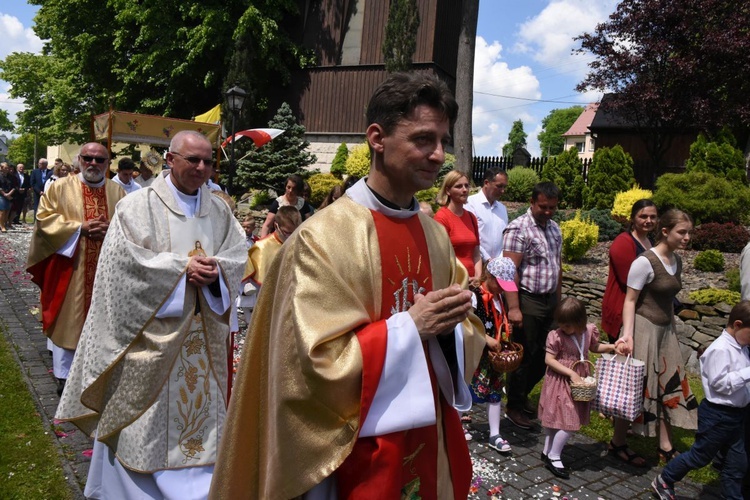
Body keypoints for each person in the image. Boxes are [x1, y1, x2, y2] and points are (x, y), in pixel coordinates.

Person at [210, 72, 485, 499]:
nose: (438, 155)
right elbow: (310, 364)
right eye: (424, 140)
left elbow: (463, 329)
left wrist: (454, 323)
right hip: (345, 453)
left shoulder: (434, 236)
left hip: (425, 434)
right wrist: (411, 328)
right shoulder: (320, 238)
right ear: (377, 137)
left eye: (443, 142)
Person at [55, 130, 247, 499]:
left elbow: (239, 253)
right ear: (171, 159)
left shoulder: (220, 210)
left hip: (202, 334)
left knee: (202, 419)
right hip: (152, 338)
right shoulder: (137, 207)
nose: (202, 168)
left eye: (208, 161)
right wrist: (180, 271)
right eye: (193, 160)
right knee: (144, 426)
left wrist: (219, 271)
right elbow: (122, 267)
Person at [26, 144, 125, 395]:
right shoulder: (60, 187)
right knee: (68, 318)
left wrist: (109, 229)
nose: (93, 163)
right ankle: (65, 376)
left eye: (99, 159)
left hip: (107, 270)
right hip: (70, 266)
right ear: (79, 160)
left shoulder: (119, 192)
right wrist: (80, 227)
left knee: (104, 320)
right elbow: (44, 219)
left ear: (107, 163)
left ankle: (97, 372)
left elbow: (131, 227)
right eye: (88, 158)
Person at [616, 209, 699, 462]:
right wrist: (627, 336)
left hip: (666, 331)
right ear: (665, 232)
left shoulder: (676, 260)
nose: (686, 237)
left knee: (669, 385)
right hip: (643, 329)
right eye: (681, 232)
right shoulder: (644, 262)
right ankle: (618, 442)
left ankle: (665, 445)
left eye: (689, 233)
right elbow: (629, 301)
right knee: (634, 387)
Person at [652, 301, 750, 500]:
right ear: (738, 325)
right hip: (717, 415)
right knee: (700, 456)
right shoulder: (720, 349)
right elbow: (720, 384)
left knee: (737, 463)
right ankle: (665, 479)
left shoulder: (742, 348)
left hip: (736, 416)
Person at [502, 182, 562, 430]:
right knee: (524, 354)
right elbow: (508, 271)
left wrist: (559, 303)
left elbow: (557, 267)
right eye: (543, 207)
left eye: (553, 208)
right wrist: (514, 308)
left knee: (546, 354)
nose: (548, 212)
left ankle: (521, 393)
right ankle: (514, 406)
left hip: (549, 300)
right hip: (528, 299)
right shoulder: (519, 228)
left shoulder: (555, 228)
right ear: (532, 201)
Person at [538, 297, 616, 479]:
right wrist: (572, 373)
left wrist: (612, 346)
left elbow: (595, 346)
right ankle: (552, 454)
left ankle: (550, 451)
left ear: (580, 322)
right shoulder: (556, 336)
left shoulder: (588, 331)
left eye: (568, 326)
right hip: (560, 381)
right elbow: (549, 360)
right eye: (562, 324)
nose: (564, 329)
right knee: (562, 419)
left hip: (578, 384)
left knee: (568, 419)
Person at [469, 257, 518, 455]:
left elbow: (498, 319)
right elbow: (468, 323)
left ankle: (494, 434)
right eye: (500, 283)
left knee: (495, 391)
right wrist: (486, 339)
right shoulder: (475, 295)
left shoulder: (498, 298)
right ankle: (457, 423)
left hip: (494, 356)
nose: (502, 288)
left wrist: (506, 329)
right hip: (476, 352)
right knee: (468, 388)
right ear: (489, 276)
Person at [601, 199, 658, 343]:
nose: (649, 220)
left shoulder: (650, 241)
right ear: (632, 218)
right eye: (643, 216)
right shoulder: (623, 243)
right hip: (621, 309)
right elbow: (628, 281)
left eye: (653, 217)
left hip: (640, 309)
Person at [434, 170, 482, 287]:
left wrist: (478, 276)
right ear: (448, 191)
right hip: (453, 283)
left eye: (466, 185)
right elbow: (440, 257)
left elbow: (476, 253)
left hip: (472, 283)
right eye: (459, 186)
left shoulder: (471, 217)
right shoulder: (442, 218)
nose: (465, 190)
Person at [465, 168, 509, 262]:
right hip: (476, 262)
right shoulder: (470, 204)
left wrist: (499, 260)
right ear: (486, 183)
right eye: (499, 186)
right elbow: (471, 235)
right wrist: (487, 258)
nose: (502, 191)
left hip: (498, 265)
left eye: (504, 187)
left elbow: (505, 237)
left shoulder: (502, 209)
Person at [0, 162, 15, 232]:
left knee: (7, 211)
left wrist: (9, 194)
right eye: (5, 168)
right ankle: (2, 226)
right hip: (1, 195)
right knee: (2, 211)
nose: (7, 169)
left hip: (9, 195)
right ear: (1, 168)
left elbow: (14, 186)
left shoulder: (11, 177)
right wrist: (5, 194)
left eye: (7, 168)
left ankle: (4, 224)